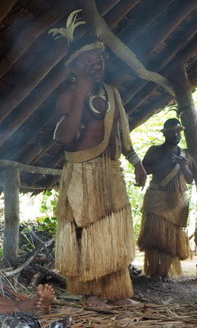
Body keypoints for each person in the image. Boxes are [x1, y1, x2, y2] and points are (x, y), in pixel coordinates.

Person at [52, 26, 147, 309]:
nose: (98, 63)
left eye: (100, 59)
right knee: (87, 231)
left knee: (113, 229)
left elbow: (123, 133)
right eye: (90, 60)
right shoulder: (68, 97)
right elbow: (64, 136)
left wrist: (136, 162)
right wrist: (80, 96)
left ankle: (117, 293)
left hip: (110, 170)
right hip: (81, 173)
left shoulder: (113, 94)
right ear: (76, 66)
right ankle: (90, 295)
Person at [137, 118, 194, 280]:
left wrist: (183, 166)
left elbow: (190, 180)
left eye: (178, 132)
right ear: (165, 133)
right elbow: (144, 170)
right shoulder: (154, 151)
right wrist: (163, 164)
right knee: (154, 236)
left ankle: (165, 272)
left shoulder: (186, 154)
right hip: (157, 198)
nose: (175, 135)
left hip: (176, 202)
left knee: (171, 239)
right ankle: (154, 271)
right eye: (171, 132)